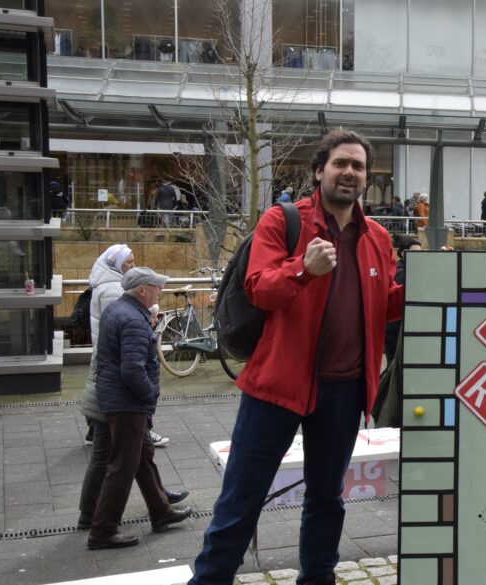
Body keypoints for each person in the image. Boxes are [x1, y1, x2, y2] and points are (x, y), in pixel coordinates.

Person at [189, 129, 405, 585]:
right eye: (340, 163)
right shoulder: (282, 221)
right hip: (277, 388)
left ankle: (318, 578)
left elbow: (384, 304)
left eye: (358, 166)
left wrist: (429, 287)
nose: (349, 172)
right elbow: (259, 288)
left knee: (327, 497)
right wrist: (302, 270)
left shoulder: (378, 238)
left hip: (345, 392)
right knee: (241, 497)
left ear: (367, 177)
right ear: (318, 171)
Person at [89, 267, 193, 549]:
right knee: (122, 466)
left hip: (119, 399)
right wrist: (149, 398)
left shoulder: (119, 309)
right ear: (141, 290)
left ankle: (161, 513)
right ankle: (103, 530)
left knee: (143, 458)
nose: (160, 291)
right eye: (156, 286)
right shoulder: (134, 320)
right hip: (127, 404)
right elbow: (133, 370)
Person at [384, 237, 421, 364]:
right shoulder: (402, 272)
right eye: (415, 252)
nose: (419, 256)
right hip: (395, 329)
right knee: (393, 365)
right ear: (404, 253)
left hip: (400, 327)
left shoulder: (409, 269)